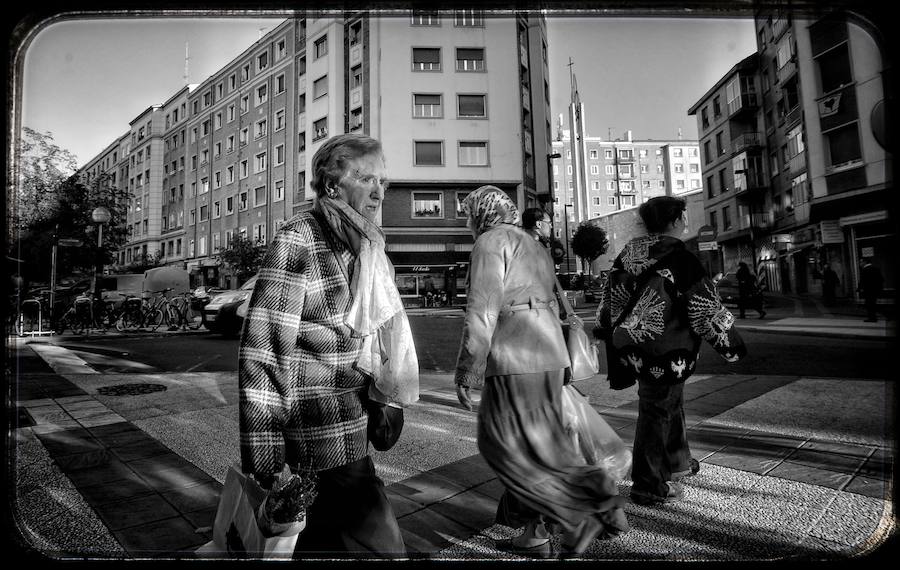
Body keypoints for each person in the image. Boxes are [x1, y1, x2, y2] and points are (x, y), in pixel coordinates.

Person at [239, 133, 418, 558]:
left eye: (383, 181)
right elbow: (264, 349)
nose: (378, 190)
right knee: (380, 543)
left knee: (318, 542)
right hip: (313, 431)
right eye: (365, 178)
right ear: (332, 184)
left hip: (353, 425)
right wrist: (265, 455)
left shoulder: (366, 244)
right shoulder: (301, 237)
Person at [455, 185, 628, 559]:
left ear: (482, 214)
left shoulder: (490, 242)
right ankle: (561, 520)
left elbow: (482, 310)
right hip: (549, 354)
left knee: (501, 444)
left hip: (515, 355)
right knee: (543, 443)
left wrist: (468, 370)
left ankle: (581, 509)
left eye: (469, 215)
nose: (469, 223)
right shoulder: (533, 245)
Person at [595, 196, 746, 506]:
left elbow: (608, 301)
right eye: (683, 218)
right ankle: (648, 484)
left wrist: (611, 331)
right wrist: (732, 346)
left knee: (668, 402)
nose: (685, 223)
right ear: (676, 221)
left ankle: (677, 461)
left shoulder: (627, 255)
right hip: (667, 350)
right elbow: (706, 310)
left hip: (632, 347)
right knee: (657, 408)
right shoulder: (682, 259)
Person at [858, 258, 883, 322]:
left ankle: (872, 318)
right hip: (875, 290)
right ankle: (873, 317)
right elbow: (881, 279)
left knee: (869, 304)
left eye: (860, 262)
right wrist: (879, 288)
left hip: (868, 291)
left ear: (865, 262)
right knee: (873, 303)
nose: (859, 264)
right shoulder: (876, 268)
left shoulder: (865, 270)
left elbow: (862, 281)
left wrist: (860, 288)